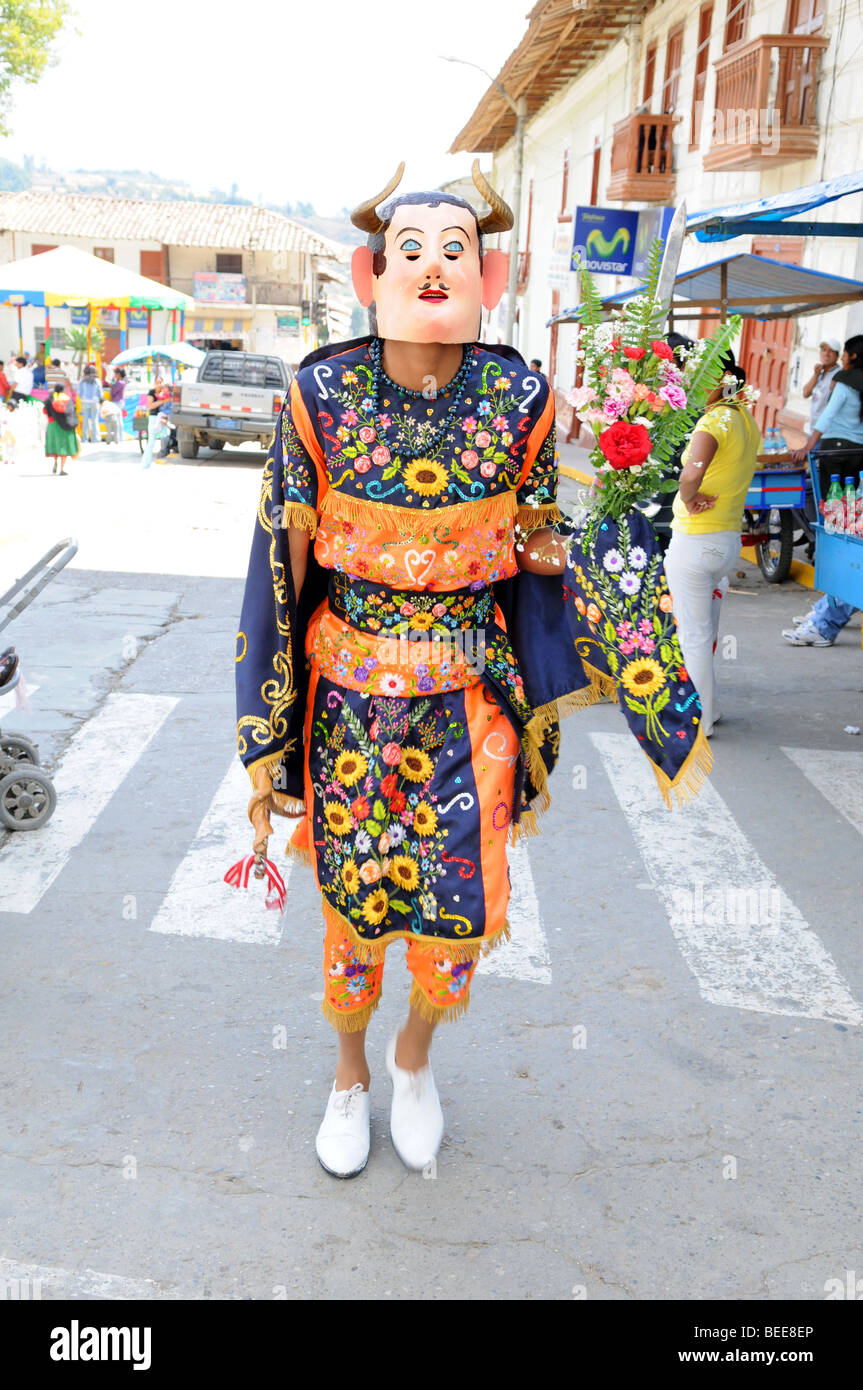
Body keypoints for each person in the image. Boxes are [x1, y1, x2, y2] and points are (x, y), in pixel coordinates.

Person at [233, 163, 710, 1180]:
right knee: (358, 904)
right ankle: (349, 1072)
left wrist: (616, 515)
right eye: (411, 250)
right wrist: (265, 737)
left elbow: (537, 544)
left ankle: (414, 1060)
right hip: (349, 709)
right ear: (370, 271)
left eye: (455, 250)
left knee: (455, 907)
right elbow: (280, 559)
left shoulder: (521, 396)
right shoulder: (317, 391)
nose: (434, 268)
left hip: (467, 705)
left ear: (488, 276)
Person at [664, 361, 761, 737]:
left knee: (693, 635)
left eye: (701, 378)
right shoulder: (745, 420)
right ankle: (710, 708)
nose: (692, 386)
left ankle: (697, 722)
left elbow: (692, 473)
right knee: (704, 631)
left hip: (696, 539)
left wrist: (688, 496)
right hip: (725, 540)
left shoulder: (715, 420)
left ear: (720, 382)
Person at [783, 334, 863, 647]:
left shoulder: (844, 380)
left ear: (851, 356)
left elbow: (827, 417)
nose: (840, 357)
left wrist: (808, 445)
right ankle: (823, 614)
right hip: (858, 454)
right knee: (847, 527)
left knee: (838, 529)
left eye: (842, 352)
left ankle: (825, 622)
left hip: (834, 452)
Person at [801, 337, 841, 433]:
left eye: (831, 351)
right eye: (823, 350)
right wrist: (815, 375)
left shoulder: (838, 374)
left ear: (837, 356)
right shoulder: (819, 372)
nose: (826, 354)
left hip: (826, 432)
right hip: (813, 429)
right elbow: (805, 393)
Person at [43, 383, 80, 475]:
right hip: (65, 426)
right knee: (64, 447)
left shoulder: (49, 400)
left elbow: (44, 411)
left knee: (55, 446)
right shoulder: (68, 400)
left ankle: (55, 462)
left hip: (52, 425)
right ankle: (62, 469)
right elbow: (72, 414)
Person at [76, 363, 102, 443]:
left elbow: (79, 393)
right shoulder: (97, 380)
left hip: (85, 402)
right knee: (95, 420)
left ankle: (85, 439)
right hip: (94, 402)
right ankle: (95, 439)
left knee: (85, 421)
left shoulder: (82, 380)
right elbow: (100, 393)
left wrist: (83, 397)